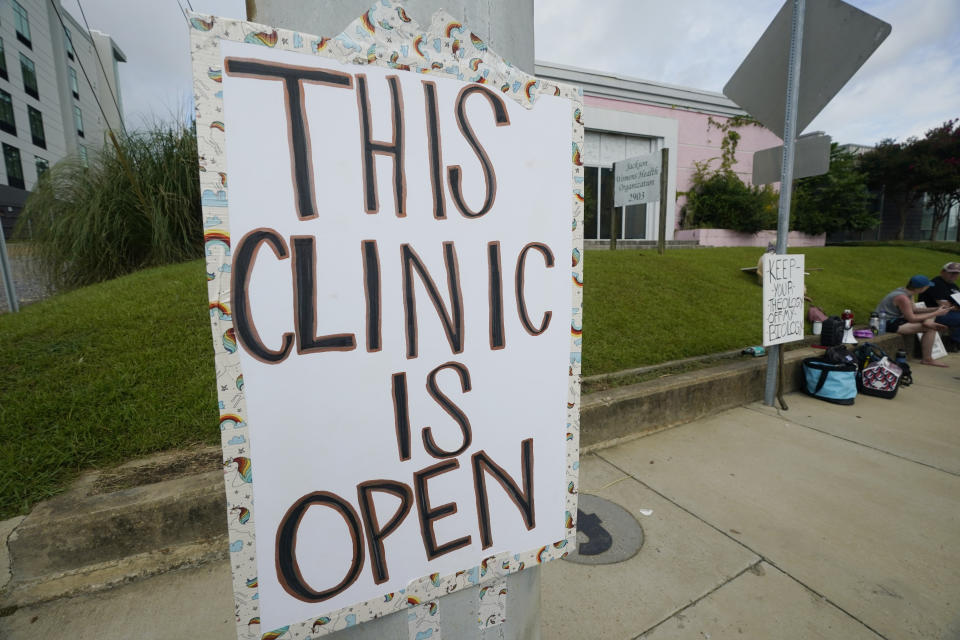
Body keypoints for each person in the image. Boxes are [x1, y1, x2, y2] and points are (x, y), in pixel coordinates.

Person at [875, 274, 951, 367]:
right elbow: (911, 318)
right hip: (885, 323)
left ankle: (927, 322)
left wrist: (935, 309)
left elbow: (914, 310)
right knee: (930, 328)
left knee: (929, 322)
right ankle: (927, 359)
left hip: (895, 319)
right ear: (921, 288)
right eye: (927, 286)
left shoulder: (906, 292)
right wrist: (936, 313)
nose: (928, 288)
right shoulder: (903, 298)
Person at [918, 262, 960, 352]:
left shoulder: (953, 286)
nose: (954, 275)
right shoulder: (936, 283)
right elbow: (944, 305)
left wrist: (954, 306)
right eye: (951, 272)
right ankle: (953, 342)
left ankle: (955, 341)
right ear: (942, 272)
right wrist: (955, 306)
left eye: (957, 273)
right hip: (932, 315)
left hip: (948, 313)